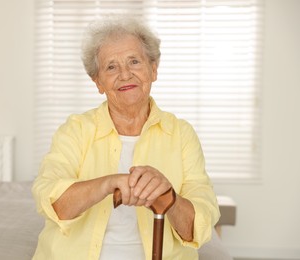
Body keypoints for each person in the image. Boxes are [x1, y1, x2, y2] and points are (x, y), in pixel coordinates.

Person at [32, 15, 220, 260]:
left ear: (153, 70)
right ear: (98, 82)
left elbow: (199, 227)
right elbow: (53, 203)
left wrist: (168, 196)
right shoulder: (75, 129)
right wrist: (109, 183)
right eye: (111, 66)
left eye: (134, 61)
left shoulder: (181, 134)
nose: (125, 74)